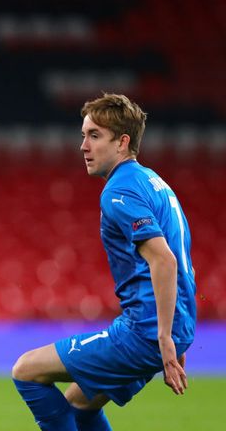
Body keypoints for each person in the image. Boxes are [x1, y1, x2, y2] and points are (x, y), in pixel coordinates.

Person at [12, 93, 196, 430]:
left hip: (144, 333)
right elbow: (181, 254)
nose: (83, 145)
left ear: (122, 142)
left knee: (26, 370)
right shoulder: (155, 183)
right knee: (79, 403)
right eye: (83, 135)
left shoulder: (119, 191)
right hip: (170, 327)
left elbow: (165, 261)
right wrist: (174, 333)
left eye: (94, 136)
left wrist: (163, 338)